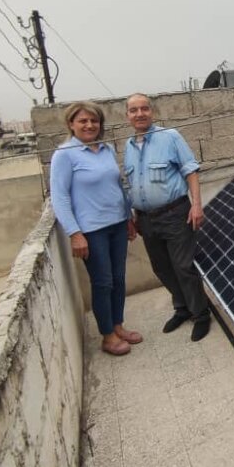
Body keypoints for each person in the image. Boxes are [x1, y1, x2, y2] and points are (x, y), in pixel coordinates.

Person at [50, 102, 141, 356]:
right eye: (83, 121)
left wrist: (127, 217)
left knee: (119, 279)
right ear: (71, 124)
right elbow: (60, 197)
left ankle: (118, 325)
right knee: (103, 282)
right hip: (92, 230)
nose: (89, 125)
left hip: (117, 225)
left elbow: (118, 186)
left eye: (94, 121)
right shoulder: (64, 155)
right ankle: (107, 336)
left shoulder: (106, 149)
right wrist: (75, 233)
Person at [124, 93, 211, 341]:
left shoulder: (170, 137)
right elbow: (132, 184)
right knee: (162, 268)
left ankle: (201, 314)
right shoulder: (128, 147)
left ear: (152, 111)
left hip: (175, 214)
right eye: (134, 110)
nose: (140, 114)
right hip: (146, 219)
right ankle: (182, 308)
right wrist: (134, 216)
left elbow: (190, 171)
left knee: (184, 267)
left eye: (144, 109)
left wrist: (196, 206)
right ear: (127, 116)